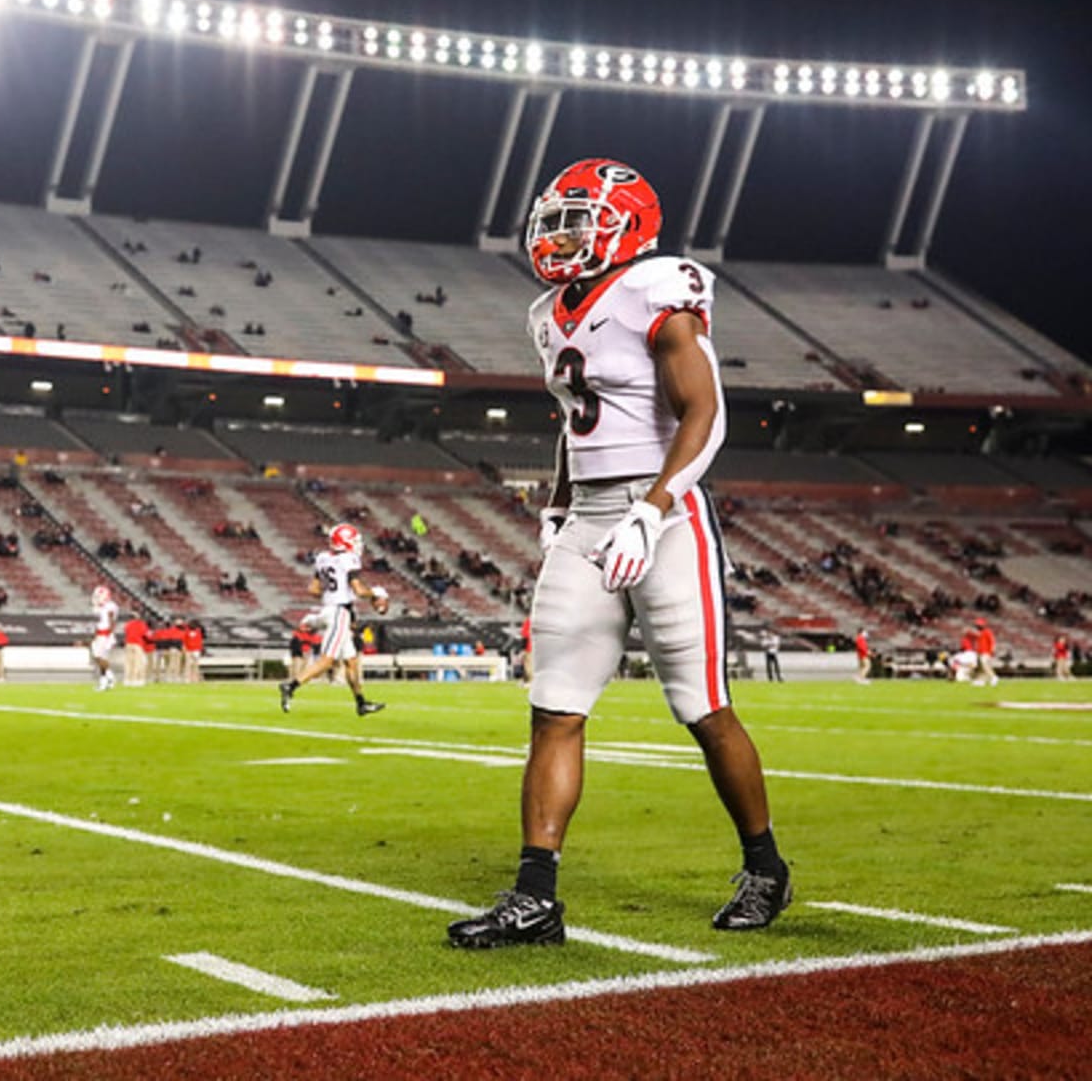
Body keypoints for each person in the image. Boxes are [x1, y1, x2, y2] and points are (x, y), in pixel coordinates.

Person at [448, 159, 790, 950]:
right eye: (555, 219)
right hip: (589, 520)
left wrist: (653, 508)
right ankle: (537, 896)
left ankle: (765, 865)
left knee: (700, 707)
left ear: (625, 223)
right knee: (554, 708)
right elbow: (578, 422)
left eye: (577, 219)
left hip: (662, 513)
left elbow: (705, 412)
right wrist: (561, 506)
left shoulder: (656, 288)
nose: (559, 235)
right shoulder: (547, 312)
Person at [278, 523, 387, 716]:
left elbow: (313, 589)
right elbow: (358, 590)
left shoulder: (322, 558)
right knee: (327, 660)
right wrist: (375, 593)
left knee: (351, 662)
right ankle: (291, 685)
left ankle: (361, 703)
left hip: (329, 609)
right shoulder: (349, 559)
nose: (357, 545)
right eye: (354, 541)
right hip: (339, 613)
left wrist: (331, 589)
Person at [90, 585, 119, 691]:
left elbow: (111, 622)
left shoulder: (110, 606)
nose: (96, 598)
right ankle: (107, 679)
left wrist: (109, 635)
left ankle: (107, 679)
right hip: (100, 634)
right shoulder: (102, 607)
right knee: (98, 657)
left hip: (105, 635)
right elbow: (100, 622)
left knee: (100, 657)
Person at [973, 616, 998, 687]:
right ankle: (981, 681)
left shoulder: (987, 632)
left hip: (986, 652)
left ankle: (993, 677)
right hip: (980, 653)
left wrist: (993, 650)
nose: (978, 626)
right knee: (981, 667)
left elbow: (992, 641)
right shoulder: (980, 633)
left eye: (979, 624)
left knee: (985, 665)